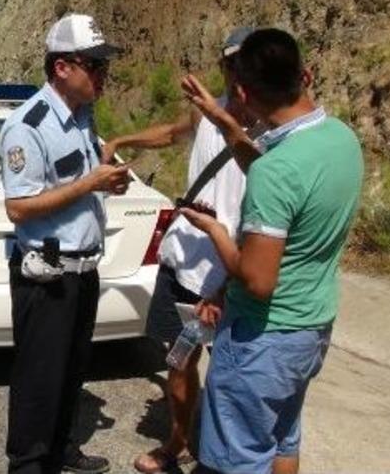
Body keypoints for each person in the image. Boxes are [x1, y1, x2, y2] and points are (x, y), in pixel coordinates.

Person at [177, 28, 364, 474]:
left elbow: (258, 281)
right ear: (306, 74)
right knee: (282, 443)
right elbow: (279, 175)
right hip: (309, 331)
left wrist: (217, 231)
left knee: (237, 459)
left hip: (262, 339)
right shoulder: (340, 139)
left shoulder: (277, 173)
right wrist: (221, 121)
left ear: (241, 90)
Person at [102, 27, 257, 474]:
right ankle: (180, 441)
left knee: (233, 375)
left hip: (230, 271)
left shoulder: (274, 133)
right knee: (178, 358)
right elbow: (172, 133)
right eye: (230, 63)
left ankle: (233, 457)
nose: (236, 73)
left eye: (246, 64)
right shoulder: (208, 112)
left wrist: (227, 288)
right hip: (183, 261)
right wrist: (122, 141)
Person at [0, 13, 132, 474]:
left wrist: (106, 183)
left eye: (103, 66)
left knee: (72, 371)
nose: (102, 75)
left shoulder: (81, 117)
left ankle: (61, 449)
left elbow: (82, 180)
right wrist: (89, 184)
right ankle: (29, 463)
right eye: (93, 65)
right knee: (39, 378)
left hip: (82, 270)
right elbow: (19, 208)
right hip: (47, 274)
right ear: (61, 68)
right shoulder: (27, 126)